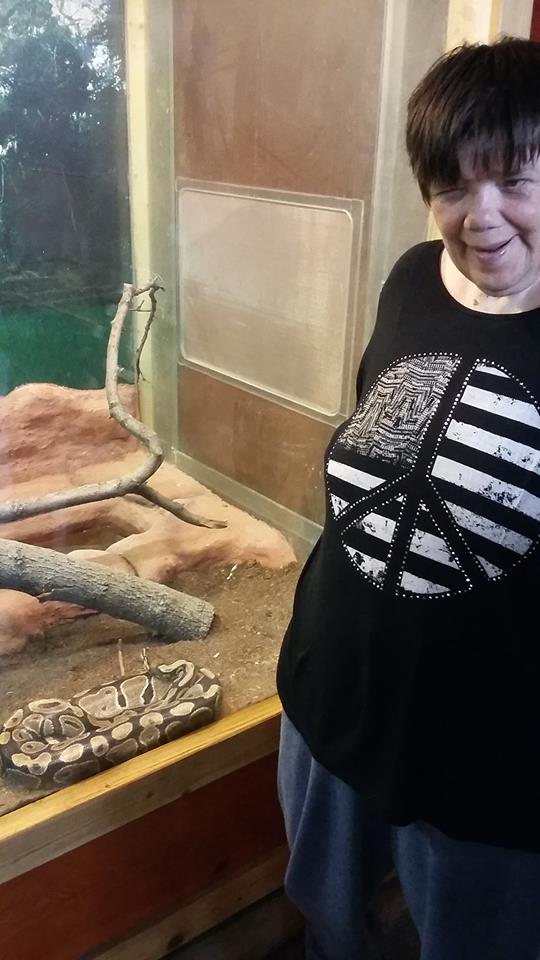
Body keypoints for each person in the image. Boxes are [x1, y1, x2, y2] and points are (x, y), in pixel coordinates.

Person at [276, 37, 540, 960]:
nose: (481, 216)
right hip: (333, 697)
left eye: (514, 180)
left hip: (491, 766)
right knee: (327, 924)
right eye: (452, 187)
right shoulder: (410, 279)